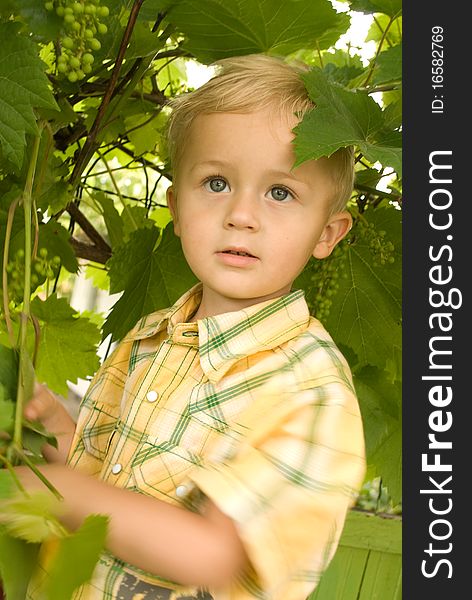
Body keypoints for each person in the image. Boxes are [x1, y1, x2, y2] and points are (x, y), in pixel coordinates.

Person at [17, 54, 365, 600]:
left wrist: (62, 493)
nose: (241, 215)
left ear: (328, 232)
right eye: (217, 182)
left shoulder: (311, 390)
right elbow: (107, 479)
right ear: (177, 209)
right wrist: (56, 432)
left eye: (281, 192)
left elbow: (208, 554)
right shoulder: (151, 336)